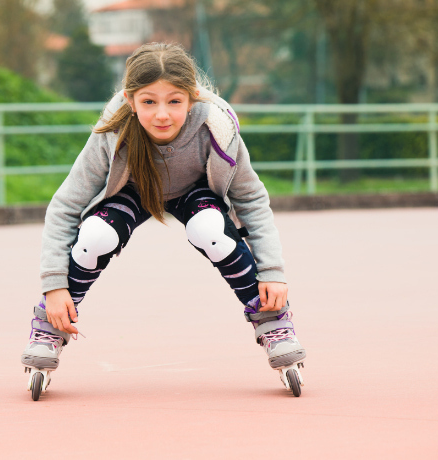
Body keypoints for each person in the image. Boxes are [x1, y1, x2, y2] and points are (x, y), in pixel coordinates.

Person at [21, 43, 306, 385]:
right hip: (132, 191)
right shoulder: (114, 133)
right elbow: (65, 205)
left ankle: (272, 320)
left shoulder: (217, 129)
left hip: (194, 192)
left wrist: (273, 272)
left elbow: (252, 199)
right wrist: (54, 287)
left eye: (174, 101)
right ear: (130, 100)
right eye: (149, 102)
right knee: (95, 236)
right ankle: (50, 327)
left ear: (192, 98)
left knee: (210, 228)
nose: (162, 114)